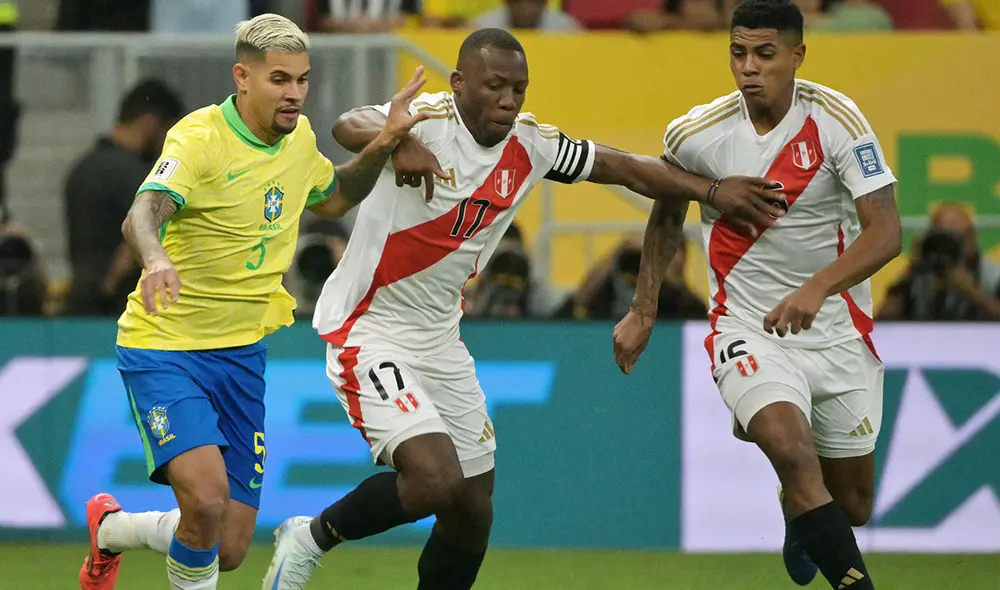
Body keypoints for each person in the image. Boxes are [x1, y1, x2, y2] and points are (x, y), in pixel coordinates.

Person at [261, 26, 787, 590]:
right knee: (433, 479)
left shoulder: (532, 145)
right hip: (368, 330)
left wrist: (712, 192)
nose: (508, 100)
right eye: (495, 86)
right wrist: (395, 139)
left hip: (440, 340)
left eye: (519, 89)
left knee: (472, 509)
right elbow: (347, 124)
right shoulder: (427, 120)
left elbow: (627, 168)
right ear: (458, 82)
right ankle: (311, 537)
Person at [78, 13, 432, 590]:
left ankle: (111, 530)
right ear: (242, 77)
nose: (294, 93)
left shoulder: (300, 140)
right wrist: (156, 257)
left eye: (302, 79)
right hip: (166, 348)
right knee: (206, 500)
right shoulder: (199, 138)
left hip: (241, 355)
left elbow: (335, 197)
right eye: (279, 79)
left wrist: (386, 143)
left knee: (228, 546)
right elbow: (142, 213)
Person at [613, 1, 901, 588]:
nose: (749, 67)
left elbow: (887, 232)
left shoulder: (838, 121)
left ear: (797, 55)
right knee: (790, 449)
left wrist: (817, 288)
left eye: (765, 54)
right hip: (747, 326)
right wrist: (644, 308)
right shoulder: (696, 134)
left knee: (853, 504)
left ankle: (798, 512)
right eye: (738, 53)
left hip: (836, 329)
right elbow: (666, 216)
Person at [64, 79, 184, 317]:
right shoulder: (140, 176)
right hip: (120, 306)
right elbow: (136, 237)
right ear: (151, 123)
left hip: (81, 302)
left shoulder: (82, 167)